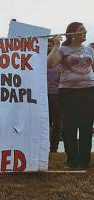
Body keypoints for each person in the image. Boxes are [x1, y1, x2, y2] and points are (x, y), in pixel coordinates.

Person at [48, 22, 94, 169]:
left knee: (86, 126)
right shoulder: (62, 49)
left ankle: (84, 161)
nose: (85, 32)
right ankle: (72, 160)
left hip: (89, 91)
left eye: (85, 30)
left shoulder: (89, 50)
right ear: (72, 33)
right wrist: (55, 45)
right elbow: (49, 64)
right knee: (71, 126)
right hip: (68, 92)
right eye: (82, 30)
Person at [47, 38, 63, 152]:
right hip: (43, 96)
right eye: (46, 45)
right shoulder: (39, 60)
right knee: (45, 123)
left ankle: (54, 148)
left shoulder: (59, 60)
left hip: (57, 96)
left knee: (57, 123)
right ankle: (44, 148)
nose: (48, 47)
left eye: (50, 45)